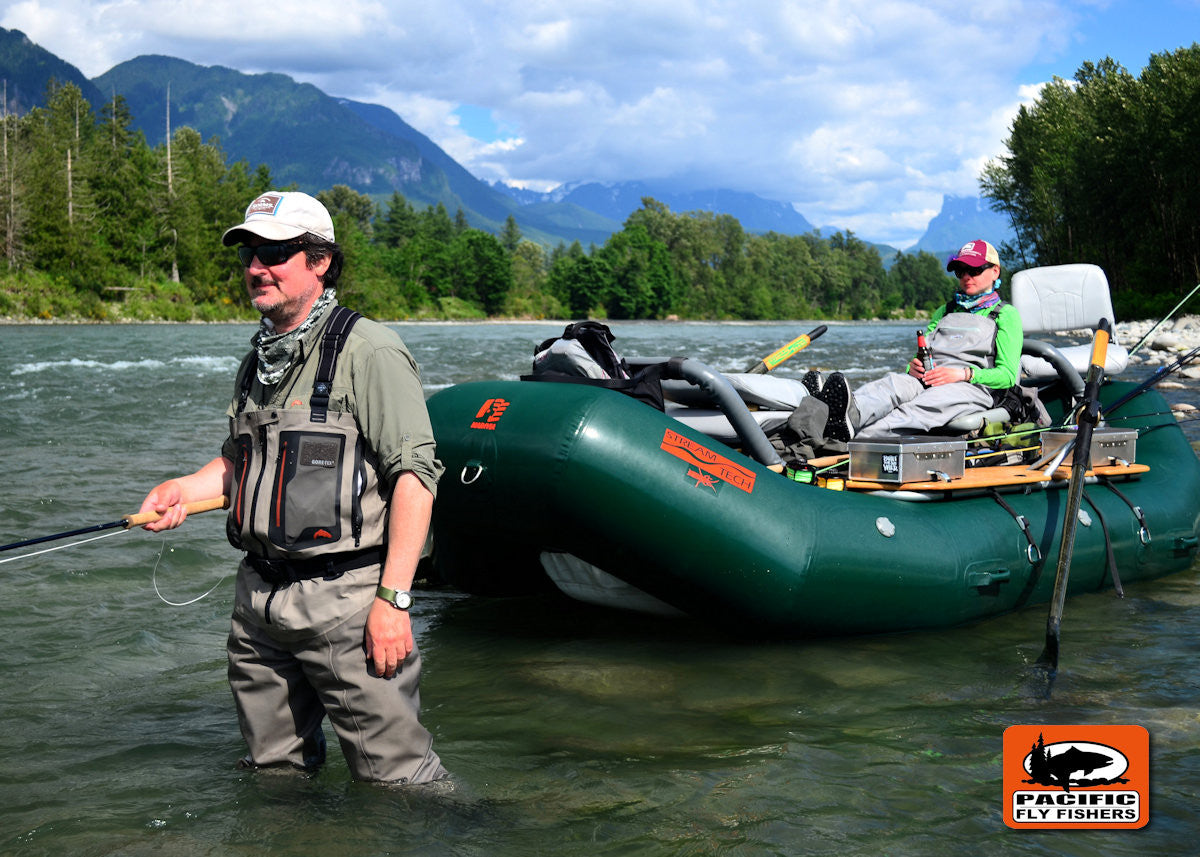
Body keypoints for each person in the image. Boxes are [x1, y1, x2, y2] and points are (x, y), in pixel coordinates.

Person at [138, 191, 447, 785]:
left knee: (401, 784)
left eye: (276, 252)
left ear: (320, 261)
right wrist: (182, 488)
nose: (257, 266)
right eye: (251, 252)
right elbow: (240, 464)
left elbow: (415, 479)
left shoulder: (371, 350)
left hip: (350, 603)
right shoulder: (259, 360)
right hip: (257, 607)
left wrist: (394, 602)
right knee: (272, 778)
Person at [801, 239, 1024, 448]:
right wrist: (913, 367)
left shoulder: (1006, 314)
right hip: (928, 379)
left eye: (974, 270)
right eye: (960, 271)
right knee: (892, 384)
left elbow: (1007, 376)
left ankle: (851, 445)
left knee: (916, 409)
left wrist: (963, 374)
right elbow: (922, 355)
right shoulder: (944, 311)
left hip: (972, 388)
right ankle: (840, 415)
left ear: (995, 271)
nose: (966, 276)